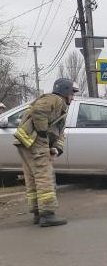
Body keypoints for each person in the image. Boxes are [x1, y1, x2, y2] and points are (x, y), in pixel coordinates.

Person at [13, 78, 79, 227]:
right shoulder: (55, 99)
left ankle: (37, 212)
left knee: (33, 177)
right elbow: (39, 111)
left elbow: (59, 131)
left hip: (26, 142)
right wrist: (42, 136)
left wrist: (57, 148)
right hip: (35, 142)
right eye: (71, 93)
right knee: (44, 176)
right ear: (65, 92)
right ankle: (47, 214)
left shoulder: (59, 105)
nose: (72, 97)